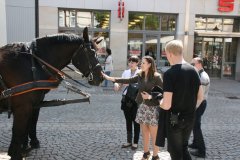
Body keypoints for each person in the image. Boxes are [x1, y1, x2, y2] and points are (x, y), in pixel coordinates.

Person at [103, 56, 163, 160]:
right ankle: (146, 153)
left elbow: (162, 93)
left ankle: (155, 155)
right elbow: (128, 80)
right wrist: (110, 78)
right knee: (144, 133)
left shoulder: (157, 77)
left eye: (143, 63)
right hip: (142, 107)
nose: (141, 65)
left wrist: (150, 96)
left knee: (154, 134)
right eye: (142, 63)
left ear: (149, 64)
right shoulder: (140, 75)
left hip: (153, 108)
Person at [159, 40, 204, 160]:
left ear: (169, 54)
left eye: (166, 55)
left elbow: (167, 105)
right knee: (183, 148)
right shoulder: (194, 70)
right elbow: (201, 97)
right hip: (190, 117)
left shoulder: (169, 74)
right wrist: (190, 110)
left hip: (174, 120)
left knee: (176, 152)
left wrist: (159, 102)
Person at [114, 56, 140, 150]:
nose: (131, 63)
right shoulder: (126, 72)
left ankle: (135, 142)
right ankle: (129, 141)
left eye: (133, 62)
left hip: (136, 100)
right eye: (130, 62)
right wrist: (117, 85)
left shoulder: (140, 73)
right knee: (128, 120)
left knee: (136, 122)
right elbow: (120, 83)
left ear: (137, 63)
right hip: (126, 99)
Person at [189, 57, 210, 158]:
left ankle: (202, 151)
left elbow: (200, 97)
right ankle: (195, 144)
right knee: (195, 125)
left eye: (193, 64)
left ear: (199, 64)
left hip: (200, 104)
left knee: (196, 127)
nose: (191, 66)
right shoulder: (199, 74)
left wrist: (195, 107)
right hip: (199, 103)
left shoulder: (203, 77)